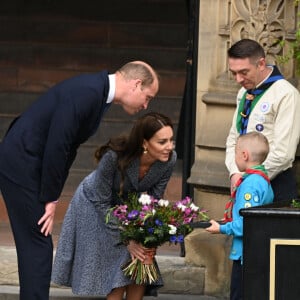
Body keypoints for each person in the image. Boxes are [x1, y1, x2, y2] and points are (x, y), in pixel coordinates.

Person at [0, 61, 159, 300]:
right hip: (22, 161)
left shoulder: (97, 92)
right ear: (136, 84)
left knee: (36, 244)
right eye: (147, 97)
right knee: (38, 245)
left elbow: (67, 147)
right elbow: (58, 144)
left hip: (26, 161)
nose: (146, 105)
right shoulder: (89, 92)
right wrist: (51, 198)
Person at [51, 112, 176, 300]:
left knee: (141, 255)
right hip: (92, 204)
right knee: (121, 259)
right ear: (144, 143)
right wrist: (128, 240)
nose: (169, 147)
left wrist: (147, 237)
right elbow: (101, 202)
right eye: (162, 142)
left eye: (171, 140)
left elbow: (153, 200)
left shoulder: (169, 160)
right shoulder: (113, 157)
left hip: (124, 205)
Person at [225, 38, 300, 202]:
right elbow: (234, 138)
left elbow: (283, 154)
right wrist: (234, 173)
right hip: (243, 183)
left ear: (261, 64)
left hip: (274, 184)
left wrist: (249, 178)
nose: (238, 79)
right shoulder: (243, 93)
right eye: (234, 73)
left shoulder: (286, 94)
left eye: (244, 72)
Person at [206, 131, 274, 300]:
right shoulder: (262, 179)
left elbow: (247, 223)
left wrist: (220, 228)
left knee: (239, 294)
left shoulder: (250, 184)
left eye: (235, 152)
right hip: (256, 251)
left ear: (244, 155)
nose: (234, 157)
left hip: (246, 254)